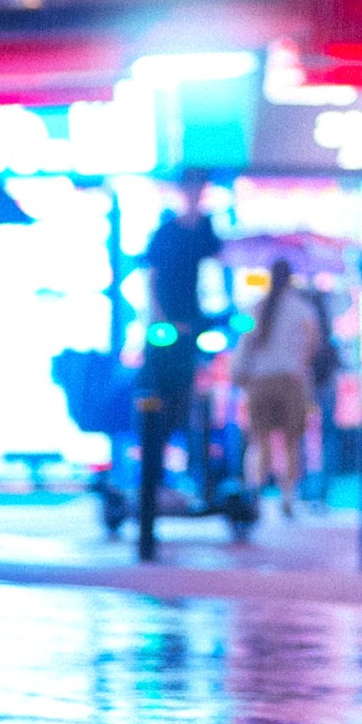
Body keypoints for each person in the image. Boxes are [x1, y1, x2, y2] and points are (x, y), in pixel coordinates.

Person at [134, 173, 219, 500]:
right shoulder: (165, 234)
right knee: (156, 406)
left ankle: (199, 480)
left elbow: (216, 272)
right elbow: (151, 279)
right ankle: (152, 480)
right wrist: (159, 318)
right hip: (166, 334)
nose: (196, 195)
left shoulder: (206, 233)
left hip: (193, 331)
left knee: (193, 407)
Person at [230, 256, 331, 511]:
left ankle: (255, 496)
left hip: (259, 380)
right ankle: (287, 496)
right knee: (291, 442)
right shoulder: (302, 308)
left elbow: (246, 342)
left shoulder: (258, 306)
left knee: (259, 440)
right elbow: (313, 344)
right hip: (291, 380)